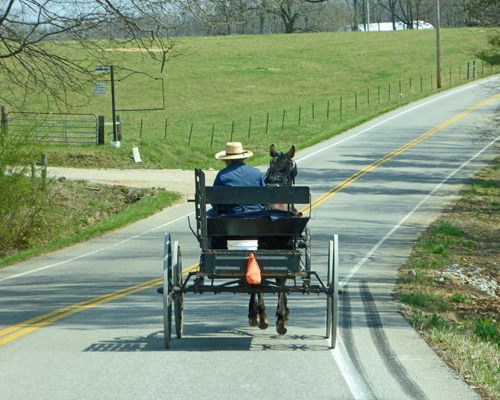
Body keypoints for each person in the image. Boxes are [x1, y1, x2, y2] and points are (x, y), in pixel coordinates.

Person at [207, 142, 265, 217]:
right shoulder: (256, 172)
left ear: (227, 160)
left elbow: (214, 200)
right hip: (256, 212)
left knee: (208, 214)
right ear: (243, 158)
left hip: (231, 213)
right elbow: (264, 197)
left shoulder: (222, 175)